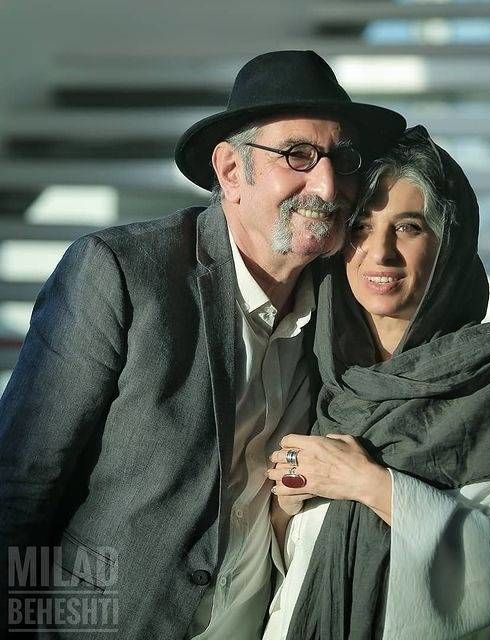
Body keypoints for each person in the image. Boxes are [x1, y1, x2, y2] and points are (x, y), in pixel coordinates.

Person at [0, 50, 405, 638]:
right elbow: (21, 484)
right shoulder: (122, 273)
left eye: (342, 160)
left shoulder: (345, 304)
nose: (326, 184)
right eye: (297, 155)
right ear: (231, 170)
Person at [263, 126, 490, 639]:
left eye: (408, 227)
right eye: (361, 227)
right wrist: (285, 507)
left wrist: (369, 483)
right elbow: (294, 573)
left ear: (448, 244)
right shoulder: (328, 381)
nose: (379, 252)